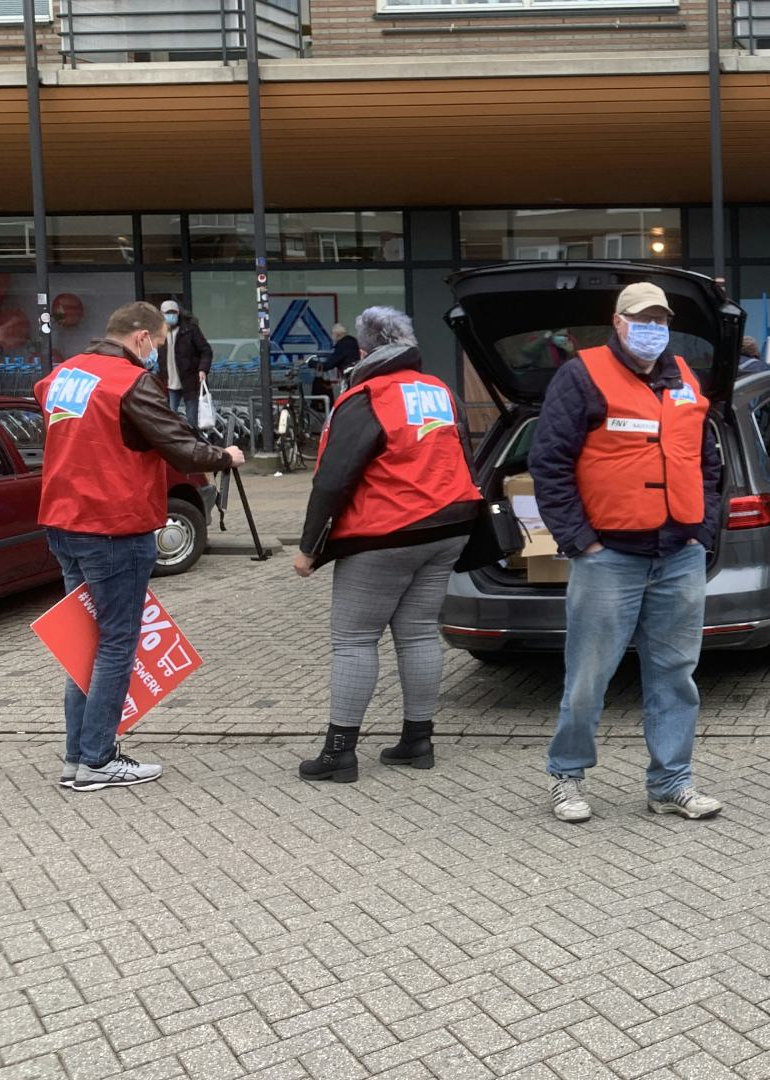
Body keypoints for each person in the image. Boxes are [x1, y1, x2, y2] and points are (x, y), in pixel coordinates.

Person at [531, 282, 725, 824]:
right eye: (643, 318)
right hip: (608, 555)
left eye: (661, 319)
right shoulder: (581, 375)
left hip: (678, 553)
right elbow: (549, 464)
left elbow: (707, 461)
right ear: (617, 322)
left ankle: (670, 783)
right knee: (589, 675)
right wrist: (580, 541)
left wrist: (702, 527)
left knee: (675, 675)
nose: (653, 328)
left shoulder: (686, 378)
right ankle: (566, 775)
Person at [35, 302, 245, 791]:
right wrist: (226, 456)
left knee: (85, 646)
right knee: (115, 645)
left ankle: (77, 757)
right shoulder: (128, 382)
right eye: (159, 343)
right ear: (144, 339)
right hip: (113, 524)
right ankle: (98, 759)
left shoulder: (61, 376)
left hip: (63, 521)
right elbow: (179, 445)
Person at [291, 307, 482, 784]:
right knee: (417, 633)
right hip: (449, 526)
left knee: (354, 639)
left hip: (386, 531)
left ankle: (339, 754)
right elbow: (465, 454)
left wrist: (309, 546)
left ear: (363, 351)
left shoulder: (366, 395)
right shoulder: (440, 391)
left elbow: (334, 479)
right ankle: (418, 741)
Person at [157, 300, 213, 428]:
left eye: (173, 313)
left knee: (192, 417)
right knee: (170, 417)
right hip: (170, 383)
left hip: (190, 381)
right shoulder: (160, 333)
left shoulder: (190, 330)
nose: (171, 316)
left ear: (178, 313)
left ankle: (194, 441)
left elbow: (206, 350)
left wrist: (203, 369)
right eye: (167, 313)